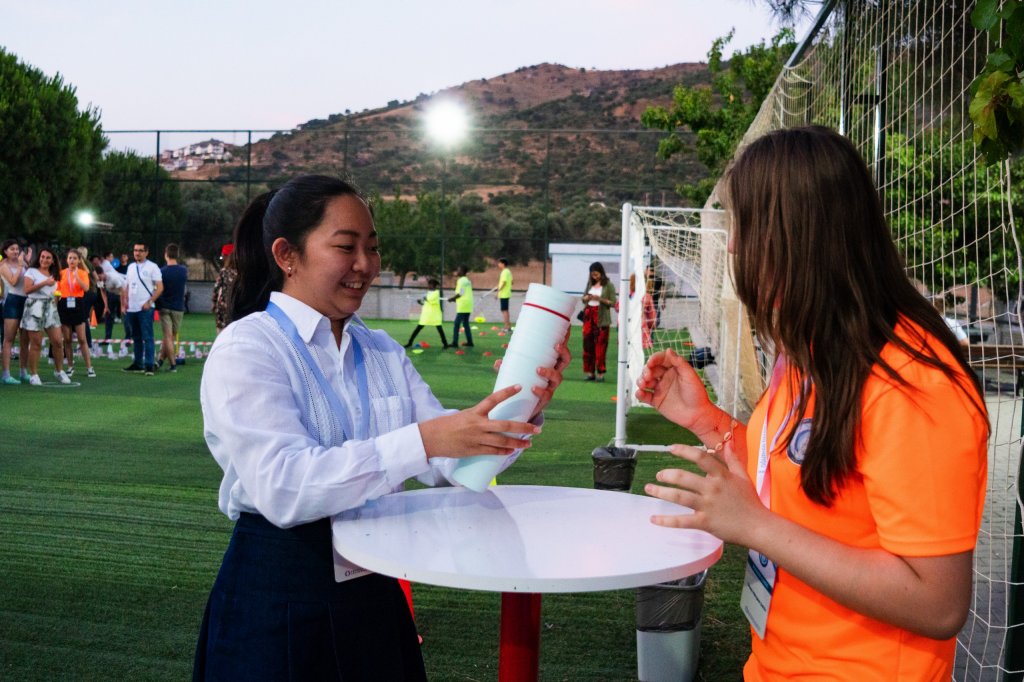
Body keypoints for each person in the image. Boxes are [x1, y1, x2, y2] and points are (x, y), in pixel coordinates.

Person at [637, 126, 988, 680]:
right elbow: (794, 474)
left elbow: (937, 603)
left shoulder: (914, 384)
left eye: (745, 224)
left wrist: (757, 528)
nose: (733, 246)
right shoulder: (811, 351)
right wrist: (707, 422)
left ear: (796, 233)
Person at [193, 175, 571, 680]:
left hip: (375, 588)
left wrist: (523, 403)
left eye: (372, 248)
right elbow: (283, 486)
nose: (365, 264)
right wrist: (423, 441)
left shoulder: (381, 350)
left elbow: (455, 465)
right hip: (279, 595)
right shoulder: (249, 347)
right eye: (345, 246)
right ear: (287, 255)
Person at [21, 248, 71, 385]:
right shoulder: (31, 271)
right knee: (36, 343)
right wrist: (44, 283)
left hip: (50, 307)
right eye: (42, 257)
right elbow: (27, 290)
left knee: (58, 341)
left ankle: (59, 371)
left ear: (53, 260)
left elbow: (55, 290)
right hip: (34, 306)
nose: (44, 260)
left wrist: (56, 297)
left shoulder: (55, 274)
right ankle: (34, 374)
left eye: (48, 257)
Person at [121, 242, 163, 375]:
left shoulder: (152, 267)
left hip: (145, 308)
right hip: (131, 308)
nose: (137, 253)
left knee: (147, 337)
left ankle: (149, 365)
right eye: (135, 250)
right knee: (136, 337)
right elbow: (127, 286)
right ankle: (138, 363)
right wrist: (124, 302)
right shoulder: (131, 267)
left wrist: (149, 302)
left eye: (140, 250)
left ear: (146, 252)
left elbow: (160, 287)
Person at [57, 248, 96, 378]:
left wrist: (76, 276)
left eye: (75, 258)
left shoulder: (83, 273)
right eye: (70, 258)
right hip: (64, 304)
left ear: (79, 260)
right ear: (67, 260)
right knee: (67, 339)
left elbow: (86, 288)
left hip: (78, 304)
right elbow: (57, 290)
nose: (72, 260)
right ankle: (70, 366)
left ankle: (89, 367)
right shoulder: (61, 273)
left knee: (82, 338)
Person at [580, 261, 616, 381]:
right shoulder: (589, 284)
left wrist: (600, 299)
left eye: (596, 274)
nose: (594, 277)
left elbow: (613, 302)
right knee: (587, 345)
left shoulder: (608, 285)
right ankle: (590, 372)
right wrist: (587, 298)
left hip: (601, 317)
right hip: (588, 316)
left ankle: (600, 373)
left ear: (601, 273)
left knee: (601, 346)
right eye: (592, 274)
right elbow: (583, 299)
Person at [1, 239, 30, 384]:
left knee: (25, 339)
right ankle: (6, 375)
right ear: (5, 251)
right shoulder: (3, 265)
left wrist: (26, 263)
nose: (15, 251)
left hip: (26, 301)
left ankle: (23, 372)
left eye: (17, 249)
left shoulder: (22, 263)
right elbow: (13, 281)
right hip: (12, 301)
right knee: (9, 339)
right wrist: (20, 265)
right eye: (12, 249)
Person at [157, 243, 188, 372]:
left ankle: (170, 364)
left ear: (166, 254)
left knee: (167, 337)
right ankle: (162, 361)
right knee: (171, 337)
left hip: (164, 307)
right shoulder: (183, 271)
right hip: (178, 308)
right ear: (178, 254)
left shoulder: (161, 271)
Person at [404, 278, 449, 349]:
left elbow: (429, 299)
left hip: (434, 315)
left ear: (434, 286)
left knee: (440, 330)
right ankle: (409, 343)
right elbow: (427, 303)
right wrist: (420, 302)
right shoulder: (429, 293)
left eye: (430, 284)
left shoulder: (436, 293)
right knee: (417, 329)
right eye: (429, 284)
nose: (429, 286)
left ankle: (445, 344)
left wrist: (424, 298)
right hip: (426, 315)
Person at [211, 245, 236, 335]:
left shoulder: (224, 272)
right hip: (237, 308)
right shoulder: (243, 272)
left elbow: (216, 289)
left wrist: (214, 304)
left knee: (221, 333)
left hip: (223, 309)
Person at [449, 265, 474, 347]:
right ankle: (470, 342)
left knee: (457, 323)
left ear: (463, 272)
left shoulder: (461, 280)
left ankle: (455, 342)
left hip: (463, 305)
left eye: (458, 270)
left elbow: (461, 293)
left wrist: (452, 298)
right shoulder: (467, 280)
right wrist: (455, 299)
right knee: (465, 324)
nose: (457, 272)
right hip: (468, 304)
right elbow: (464, 292)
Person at [497, 257, 513, 332]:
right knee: (505, 310)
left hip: (504, 294)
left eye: (499, 263)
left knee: (504, 310)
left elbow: (504, 282)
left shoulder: (505, 272)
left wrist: (499, 290)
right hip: (505, 294)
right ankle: (507, 326)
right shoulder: (508, 272)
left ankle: (507, 327)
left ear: (503, 264)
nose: (498, 264)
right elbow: (512, 282)